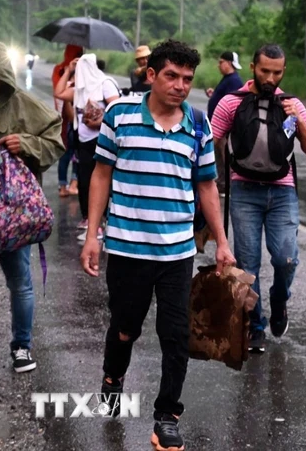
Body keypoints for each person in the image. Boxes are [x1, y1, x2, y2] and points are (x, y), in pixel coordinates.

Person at [79, 39, 235, 451]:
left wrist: (221, 242)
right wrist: (93, 235)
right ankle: (113, 380)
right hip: (128, 249)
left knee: (175, 335)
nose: (181, 86)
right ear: (151, 75)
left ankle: (167, 415)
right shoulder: (120, 115)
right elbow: (101, 175)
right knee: (125, 328)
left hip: (177, 254)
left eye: (187, 78)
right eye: (171, 76)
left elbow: (206, 186)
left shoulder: (198, 125)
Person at [211, 44, 306, 353]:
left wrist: (297, 120)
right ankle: (255, 324)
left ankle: (279, 299)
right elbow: (213, 141)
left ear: (283, 71)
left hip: (282, 190)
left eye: (276, 72)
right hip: (243, 190)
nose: (270, 77)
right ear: (252, 67)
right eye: (264, 71)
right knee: (247, 265)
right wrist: (217, 179)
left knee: (286, 258)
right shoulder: (232, 103)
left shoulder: (291, 104)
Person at [0, 40, 65, 372]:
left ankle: (22, 346)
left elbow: (55, 140)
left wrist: (25, 143)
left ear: (1, 74)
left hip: (10, 210)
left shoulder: (23, 105)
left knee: (20, 281)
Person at [53, 54, 120, 239]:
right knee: (84, 180)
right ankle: (88, 218)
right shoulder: (80, 90)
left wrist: (100, 121)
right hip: (82, 140)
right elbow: (59, 93)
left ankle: (100, 221)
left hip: (101, 139)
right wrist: (68, 71)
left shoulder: (105, 84)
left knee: (101, 180)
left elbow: (117, 108)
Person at [53, 46, 83, 198]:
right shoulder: (64, 70)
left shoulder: (61, 69)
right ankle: (68, 184)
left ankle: (67, 184)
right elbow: (59, 94)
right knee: (72, 154)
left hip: (68, 121)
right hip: (70, 120)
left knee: (71, 154)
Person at [206, 51, 244, 118]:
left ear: (229, 63)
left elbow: (231, 105)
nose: (218, 65)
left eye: (221, 62)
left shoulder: (234, 81)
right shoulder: (228, 78)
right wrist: (215, 94)